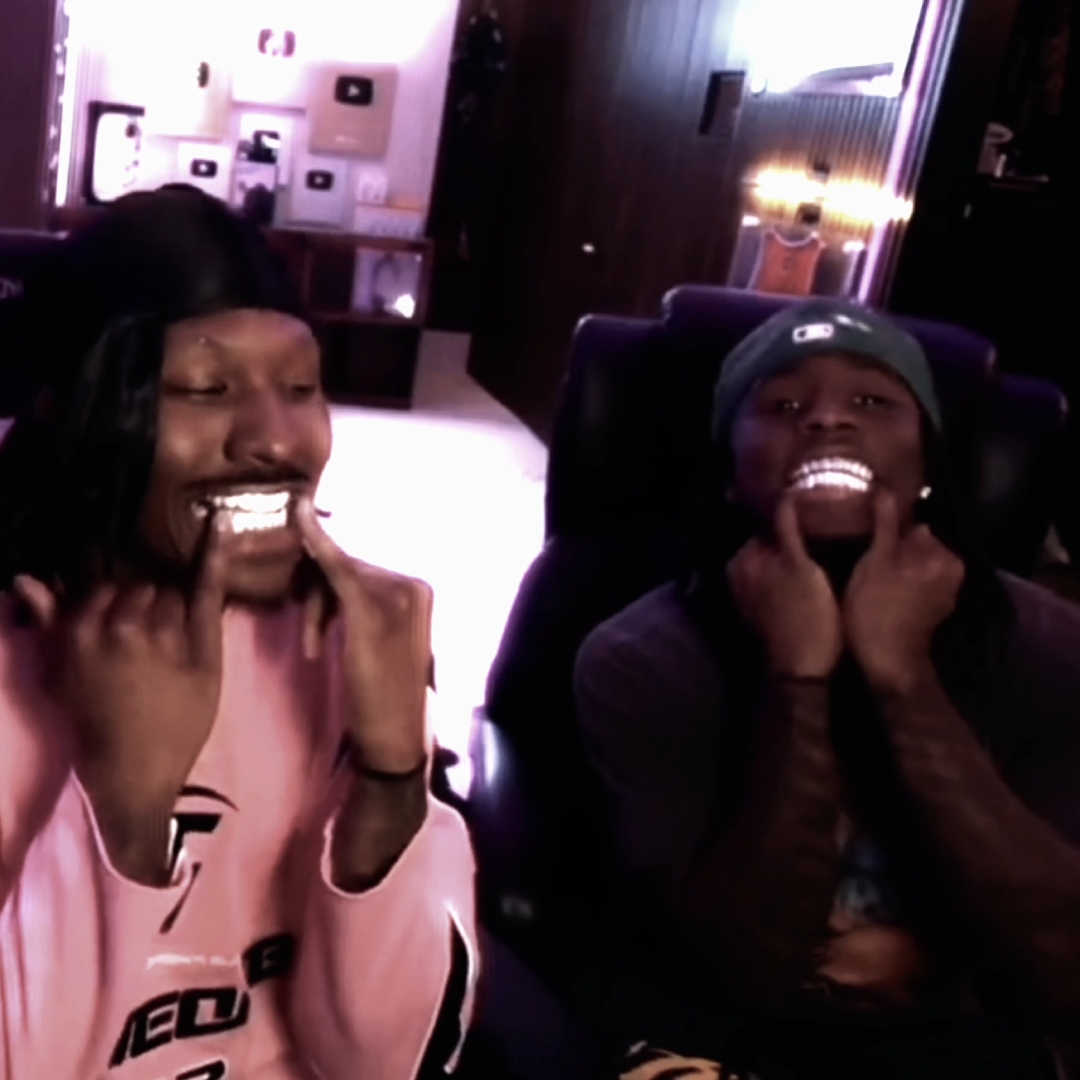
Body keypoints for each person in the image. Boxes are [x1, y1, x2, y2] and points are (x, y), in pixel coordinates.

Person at [0, 186, 477, 1080]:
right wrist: (123, 810)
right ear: (72, 414)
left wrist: (391, 777)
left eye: (301, 387)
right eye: (206, 388)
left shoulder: (347, 650)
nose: (277, 440)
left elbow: (383, 1065)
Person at [574, 299, 1080, 1080]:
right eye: (782, 406)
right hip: (719, 1035)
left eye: (872, 400)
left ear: (928, 467)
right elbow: (741, 965)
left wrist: (902, 678)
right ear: (731, 475)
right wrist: (799, 678)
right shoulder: (639, 658)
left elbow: (1066, 965)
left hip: (963, 1038)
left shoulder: (1045, 644)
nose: (827, 419)